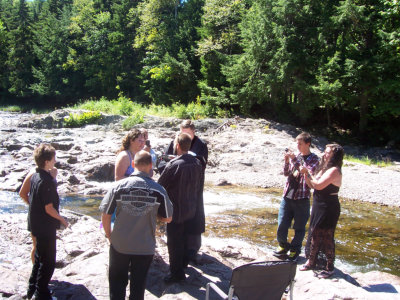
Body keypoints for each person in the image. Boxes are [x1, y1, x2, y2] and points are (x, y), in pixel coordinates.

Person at [100, 150, 173, 300]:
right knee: (138, 287)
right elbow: (168, 218)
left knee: (116, 285)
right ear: (151, 165)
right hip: (145, 246)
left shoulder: (118, 187)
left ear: (133, 164)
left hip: (120, 244)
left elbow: (105, 215)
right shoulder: (158, 189)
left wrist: (109, 236)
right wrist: (154, 213)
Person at [158, 133, 204, 283]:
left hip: (175, 210)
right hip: (191, 208)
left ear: (177, 145)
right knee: (184, 238)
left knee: (174, 242)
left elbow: (160, 186)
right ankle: (183, 264)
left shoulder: (173, 165)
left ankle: (176, 274)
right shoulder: (198, 163)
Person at [162, 120, 208, 264]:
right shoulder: (175, 142)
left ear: (193, 132)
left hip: (193, 188)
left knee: (194, 217)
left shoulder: (201, 145)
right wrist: (174, 161)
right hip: (176, 187)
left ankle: (192, 250)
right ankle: (180, 251)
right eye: (182, 133)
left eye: (187, 133)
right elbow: (163, 162)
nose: (184, 136)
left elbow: (202, 164)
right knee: (177, 220)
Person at [27, 144, 69, 300]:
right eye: (53, 158)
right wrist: (62, 219)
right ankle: (41, 293)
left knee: (39, 257)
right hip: (45, 226)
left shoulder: (36, 175)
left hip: (35, 224)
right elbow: (49, 208)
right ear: (47, 161)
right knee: (48, 262)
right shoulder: (46, 182)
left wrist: (53, 178)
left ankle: (32, 289)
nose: (55, 160)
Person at [300, 144, 344, 279]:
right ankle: (311, 261)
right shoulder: (324, 168)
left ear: (334, 155)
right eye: (325, 152)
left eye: (328, 153)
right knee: (314, 233)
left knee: (326, 236)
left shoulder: (334, 170)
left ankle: (329, 267)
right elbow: (312, 185)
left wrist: (307, 173)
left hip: (329, 206)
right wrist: (306, 175)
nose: (325, 154)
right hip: (319, 204)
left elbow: (318, 185)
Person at [274, 132, 319, 261]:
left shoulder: (314, 159)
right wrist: (287, 161)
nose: (297, 146)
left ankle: (295, 249)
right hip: (288, 196)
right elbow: (287, 173)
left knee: (299, 227)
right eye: (297, 143)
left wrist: (294, 159)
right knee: (282, 224)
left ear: (308, 144)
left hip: (302, 198)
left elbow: (304, 171)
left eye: (300, 143)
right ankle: (283, 245)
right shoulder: (297, 156)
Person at [20, 167, 58, 264]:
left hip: (49, 216)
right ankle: (36, 271)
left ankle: (43, 274)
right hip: (37, 217)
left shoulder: (53, 170)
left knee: (48, 247)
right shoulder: (34, 173)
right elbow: (22, 193)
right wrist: (36, 206)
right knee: (37, 245)